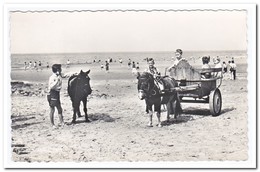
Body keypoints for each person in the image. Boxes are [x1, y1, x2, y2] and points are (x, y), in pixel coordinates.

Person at [47, 64, 64, 129]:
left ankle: (61, 122)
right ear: (57, 70)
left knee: (59, 108)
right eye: (60, 69)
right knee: (52, 109)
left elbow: (65, 75)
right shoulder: (52, 77)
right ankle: (52, 124)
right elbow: (51, 87)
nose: (61, 70)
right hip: (52, 93)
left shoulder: (59, 76)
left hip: (57, 93)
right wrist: (56, 81)